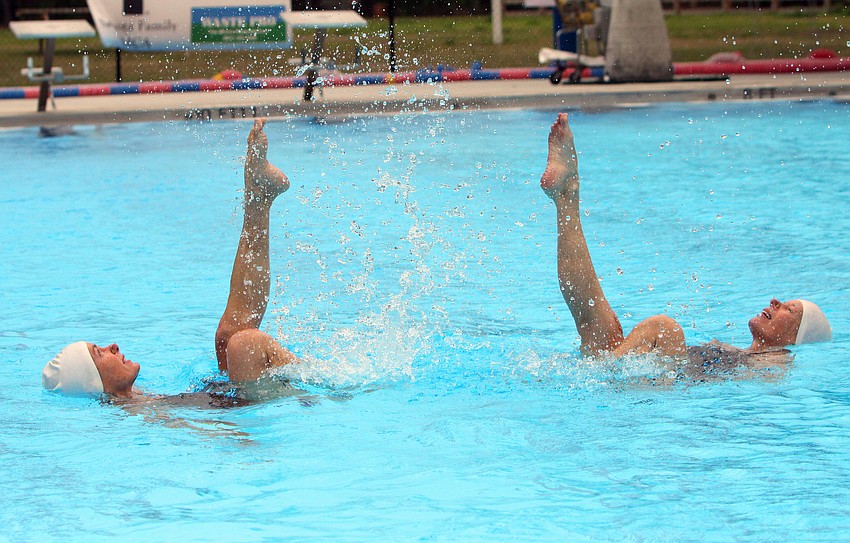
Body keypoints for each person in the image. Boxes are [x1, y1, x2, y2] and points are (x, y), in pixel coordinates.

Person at [539, 112, 832, 370]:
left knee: (664, 329)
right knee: (602, 325)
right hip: (654, 380)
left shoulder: (777, 363)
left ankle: (603, 373)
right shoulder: (745, 355)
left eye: (789, 310)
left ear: (795, 338)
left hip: (661, 390)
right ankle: (567, 195)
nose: (775, 302)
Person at [42, 119, 299, 399]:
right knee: (244, 344)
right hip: (236, 410)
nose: (112, 346)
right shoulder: (140, 415)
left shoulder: (136, 402)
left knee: (227, 337)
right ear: (94, 382)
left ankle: (259, 197)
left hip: (227, 401)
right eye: (99, 353)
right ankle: (320, 385)